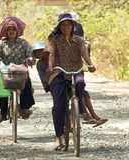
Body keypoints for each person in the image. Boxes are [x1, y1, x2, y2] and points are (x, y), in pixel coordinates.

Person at [44, 13, 96, 150]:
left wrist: (90, 64)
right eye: (63, 24)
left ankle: (81, 111)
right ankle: (58, 137)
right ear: (59, 26)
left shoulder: (79, 40)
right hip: (59, 72)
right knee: (59, 105)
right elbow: (52, 54)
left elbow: (84, 53)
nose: (66, 27)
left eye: (68, 24)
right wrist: (50, 67)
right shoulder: (54, 39)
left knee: (80, 83)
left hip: (76, 70)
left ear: (72, 26)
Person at [32, 41, 108, 126]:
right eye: (37, 52)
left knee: (83, 93)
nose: (40, 53)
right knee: (62, 101)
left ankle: (93, 115)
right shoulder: (41, 64)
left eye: (41, 50)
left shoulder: (56, 58)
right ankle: (82, 117)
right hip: (53, 84)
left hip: (65, 79)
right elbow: (44, 78)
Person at [0, 16, 35, 123]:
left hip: (20, 71)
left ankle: (24, 109)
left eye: (13, 29)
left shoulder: (23, 43)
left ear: (17, 30)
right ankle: (3, 113)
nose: (11, 31)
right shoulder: (1, 43)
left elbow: (31, 54)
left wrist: (31, 59)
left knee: (27, 82)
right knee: (1, 87)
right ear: (5, 31)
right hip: (6, 72)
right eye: (9, 29)